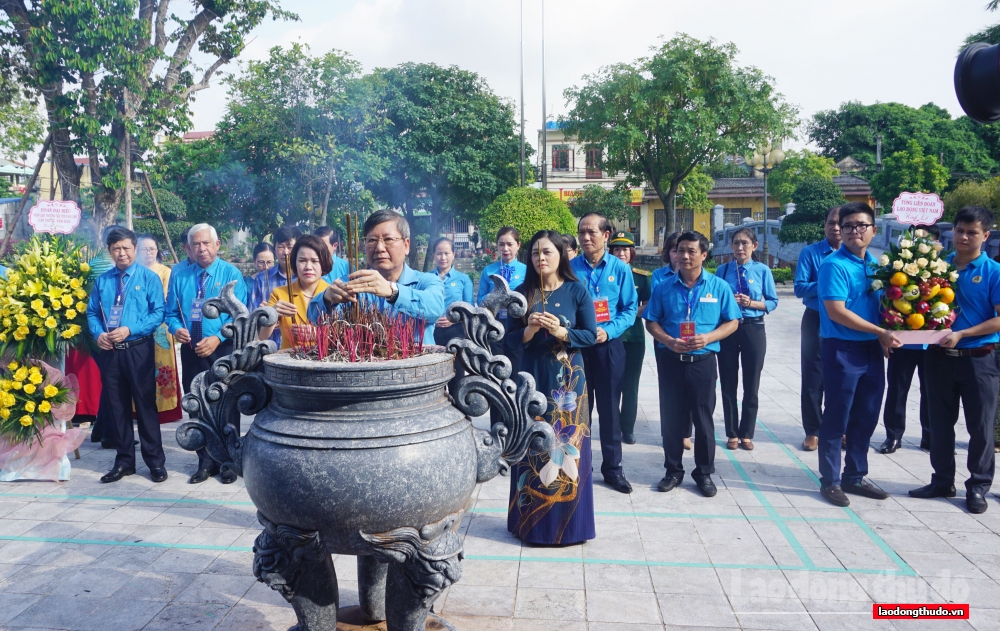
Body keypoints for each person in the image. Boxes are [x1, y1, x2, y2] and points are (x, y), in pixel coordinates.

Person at [505, 230, 597, 544]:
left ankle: (570, 527)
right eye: (534, 253)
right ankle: (531, 524)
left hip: (569, 381)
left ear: (561, 255)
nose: (540, 258)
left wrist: (561, 331)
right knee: (534, 446)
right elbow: (509, 340)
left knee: (567, 444)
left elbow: (590, 335)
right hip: (532, 379)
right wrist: (529, 329)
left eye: (547, 252)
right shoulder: (522, 293)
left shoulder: (576, 291)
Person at [910, 206, 1000, 514]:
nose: (964, 237)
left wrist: (963, 334)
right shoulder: (937, 267)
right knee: (939, 423)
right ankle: (942, 479)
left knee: (981, 426)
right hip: (938, 357)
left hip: (978, 359)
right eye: (960, 230)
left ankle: (977, 486)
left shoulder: (994, 272)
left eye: (972, 232)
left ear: (985, 236)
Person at [644, 231, 740, 496]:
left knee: (703, 418)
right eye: (681, 250)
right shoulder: (664, 287)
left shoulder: (719, 287)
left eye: (691, 251)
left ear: (704, 255)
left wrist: (708, 337)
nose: (684, 256)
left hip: (704, 361)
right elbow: (651, 321)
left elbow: (732, 321)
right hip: (671, 360)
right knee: (672, 419)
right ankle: (672, 471)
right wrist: (668, 340)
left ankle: (704, 473)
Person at [816, 202, 900, 507]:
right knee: (838, 415)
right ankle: (831, 480)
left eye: (861, 225)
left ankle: (855, 475)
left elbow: (883, 309)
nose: (853, 231)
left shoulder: (876, 265)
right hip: (842, 349)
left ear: (873, 230)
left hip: (871, 350)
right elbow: (837, 312)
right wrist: (881, 334)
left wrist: (886, 335)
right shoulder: (834, 265)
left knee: (866, 415)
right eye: (847, 226)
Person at [165, 223, 248, 484]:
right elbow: (171, 313)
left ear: (217, 245)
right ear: (189, 248)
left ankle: (229, 463)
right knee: (197, 404)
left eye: (206, 243)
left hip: (222, 348)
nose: (202, 249)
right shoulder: (180, 276)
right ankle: (205, 461)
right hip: (191, 349)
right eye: (196, 245)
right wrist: (177, 328)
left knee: (226, 404)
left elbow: (241, 316)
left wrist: (217, 337)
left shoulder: (231, 273)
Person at [86, 227, 167, 484]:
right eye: (116, 249)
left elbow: (158, 313)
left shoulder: (149, 277)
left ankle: (155, 462)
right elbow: (92, 313)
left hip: (139, 349)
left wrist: (130, 329)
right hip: (110, 352)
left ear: (135, 248)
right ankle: (124, 462)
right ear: (110, 251)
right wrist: (98, 333)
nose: (122, 253)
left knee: (145, 406)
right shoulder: (104, 280)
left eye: (126, 248)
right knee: (117, 406)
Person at [572, 213, 638, 494]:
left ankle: (612, 469)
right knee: (576, 409)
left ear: (606, 235)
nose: (586, 238)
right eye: (582, 233)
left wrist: (609, 331)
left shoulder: (620, 270)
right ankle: (575, 467)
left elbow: (629, 309)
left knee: (610, 410)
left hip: (609, 346)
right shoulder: (569, 268)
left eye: (591, 232)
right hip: (577, 347)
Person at [308, 210, 445, 341]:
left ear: (406, 245)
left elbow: (435, 309)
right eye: (372, 240)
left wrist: (393, 291)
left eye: (388, 239)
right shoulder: (353, 283)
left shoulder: (426, 281)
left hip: (414, 365)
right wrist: (327, 299)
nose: (379, 248)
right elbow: (313, 317)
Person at [716, 227, 778, 451]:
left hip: (753, 328)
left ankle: (747, 433)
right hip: (729, 329)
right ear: (731, 247)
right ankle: (732, 432)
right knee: (728, 383)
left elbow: (772, 301)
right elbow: (715, 300)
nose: (740, 248)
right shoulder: (722, 271)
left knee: (751, 384)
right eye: (736, 243)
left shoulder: (762, 270)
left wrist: (751, 303)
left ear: (754, 246)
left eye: (744, 243)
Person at [879, 224, 939, 454]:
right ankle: (893, 436)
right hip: (902, 341)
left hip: (933, 343)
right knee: (897, 389)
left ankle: (931, 436)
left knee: (933, 392)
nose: (922, 247)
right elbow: (884, 303)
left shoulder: (943, 270)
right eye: (917, 241)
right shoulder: (897, 270)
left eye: (928, 242)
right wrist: (884, 335)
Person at [794, 206, 841, 451]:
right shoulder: (810, 253)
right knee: (813, 377)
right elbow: (800, 287)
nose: (835, 228)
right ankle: (813, 430)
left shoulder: (857, 256)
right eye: (831, 223)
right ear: (824, 225)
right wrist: (828, 284)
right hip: (815, 319)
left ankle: (837, 428)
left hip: (845, 321)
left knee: (842, 376)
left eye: (840, 223)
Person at [650, 231, 694, 451]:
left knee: (691, 389)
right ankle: (670, 431)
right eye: (676, 250)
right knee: (669, 389)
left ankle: (686, 432)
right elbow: (656, 312)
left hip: (694, 343)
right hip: (666, 342)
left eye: (686, 250)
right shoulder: (659, 276)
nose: (680, 255)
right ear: (669, 252)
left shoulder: (699, 278)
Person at [609, 231, 650, 445]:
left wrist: (630, 312)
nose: (621, 253)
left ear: (631, 252)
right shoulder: (605, 273)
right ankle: (613, 427)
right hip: (610, 337)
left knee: (630, 385)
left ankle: (628, 429)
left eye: (625, 249)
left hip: (633, 337)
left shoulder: (640, 277)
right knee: (612, 386)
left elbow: (649, 304)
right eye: (617, 249)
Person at [136, 234, 182, 423]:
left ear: (157, 251)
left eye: (152, 249)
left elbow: (163, 298)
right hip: (137, 325)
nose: (148, 253)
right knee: (139, 366)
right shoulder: (134, 270)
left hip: (160, 326)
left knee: (162, 365)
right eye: (143, 249)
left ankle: (164, 409)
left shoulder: (165, 271)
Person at [258, 235, 331, 349]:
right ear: (294, 263)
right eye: (302, 260)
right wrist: (272, 314)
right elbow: (261, 337)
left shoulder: (333, 294)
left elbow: (347, 337)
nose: (308, 267)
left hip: (325, 362)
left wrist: (319, 335)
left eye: (314, 261)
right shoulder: (279, 294)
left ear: (323, 264)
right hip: (289, 362)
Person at [430, 237, 474, 348]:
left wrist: (454, 321)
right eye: (439, 253)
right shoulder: (426, 278)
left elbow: (470, 309)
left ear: (453, 254)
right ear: (433, 255)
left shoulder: (463, 279)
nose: (443, 257)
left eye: (447, 253)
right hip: (431, 331)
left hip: (457, 331)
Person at [251, 225, 302, 309]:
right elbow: (251, 314)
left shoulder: (306, 277)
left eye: (290, 247)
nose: (285, 252)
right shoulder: (262, 278)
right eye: (280, 247)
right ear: (274, 248)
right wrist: (262, 313)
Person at [476, 227, 527, 304]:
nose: (505, 249)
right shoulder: (488, 270)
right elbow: (480, 300)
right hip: (494, 315)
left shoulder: (526, 270)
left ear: (518, 245)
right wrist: (493, 296)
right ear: (497, 245)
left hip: (520, 315)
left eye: (510, 244)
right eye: (501, 244)